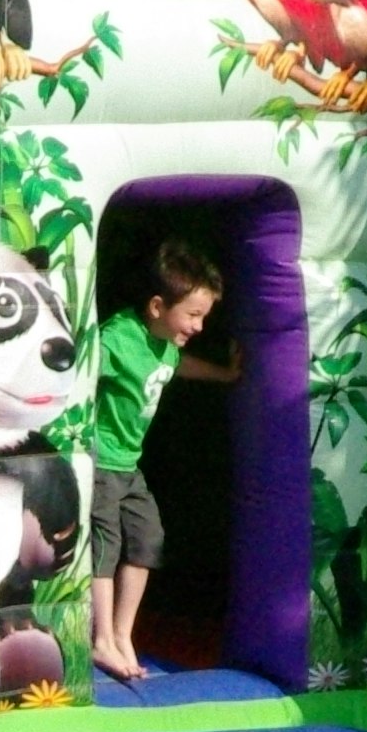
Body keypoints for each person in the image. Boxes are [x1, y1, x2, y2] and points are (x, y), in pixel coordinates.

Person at [84, 240, 244, 683]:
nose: (199, 325)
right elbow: (81, 370)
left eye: (204, 316)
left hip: (128, 465)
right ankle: (102, 639)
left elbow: (180, 365)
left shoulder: (166, 346)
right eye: (193, 314)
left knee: (147, 538)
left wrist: (225, 375)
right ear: (157, 306)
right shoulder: (118, 338)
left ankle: (122, 634)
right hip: (102, 460)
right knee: (106, 544)